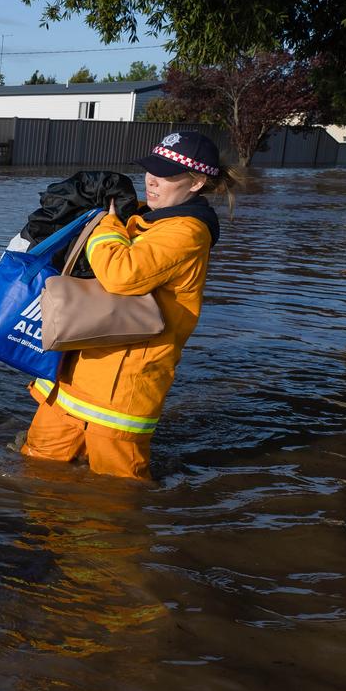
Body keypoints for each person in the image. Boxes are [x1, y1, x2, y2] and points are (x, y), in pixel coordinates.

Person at [20, 131, 242, 480]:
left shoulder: (187, 232)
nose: (151, 181)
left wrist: (106, 223)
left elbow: (121, 275)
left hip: (120, 392)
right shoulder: (147, 217)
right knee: (36, 469)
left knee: (116, 498)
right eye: (150, 170)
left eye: (166, 174)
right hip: (71, 377)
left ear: (197, 182)